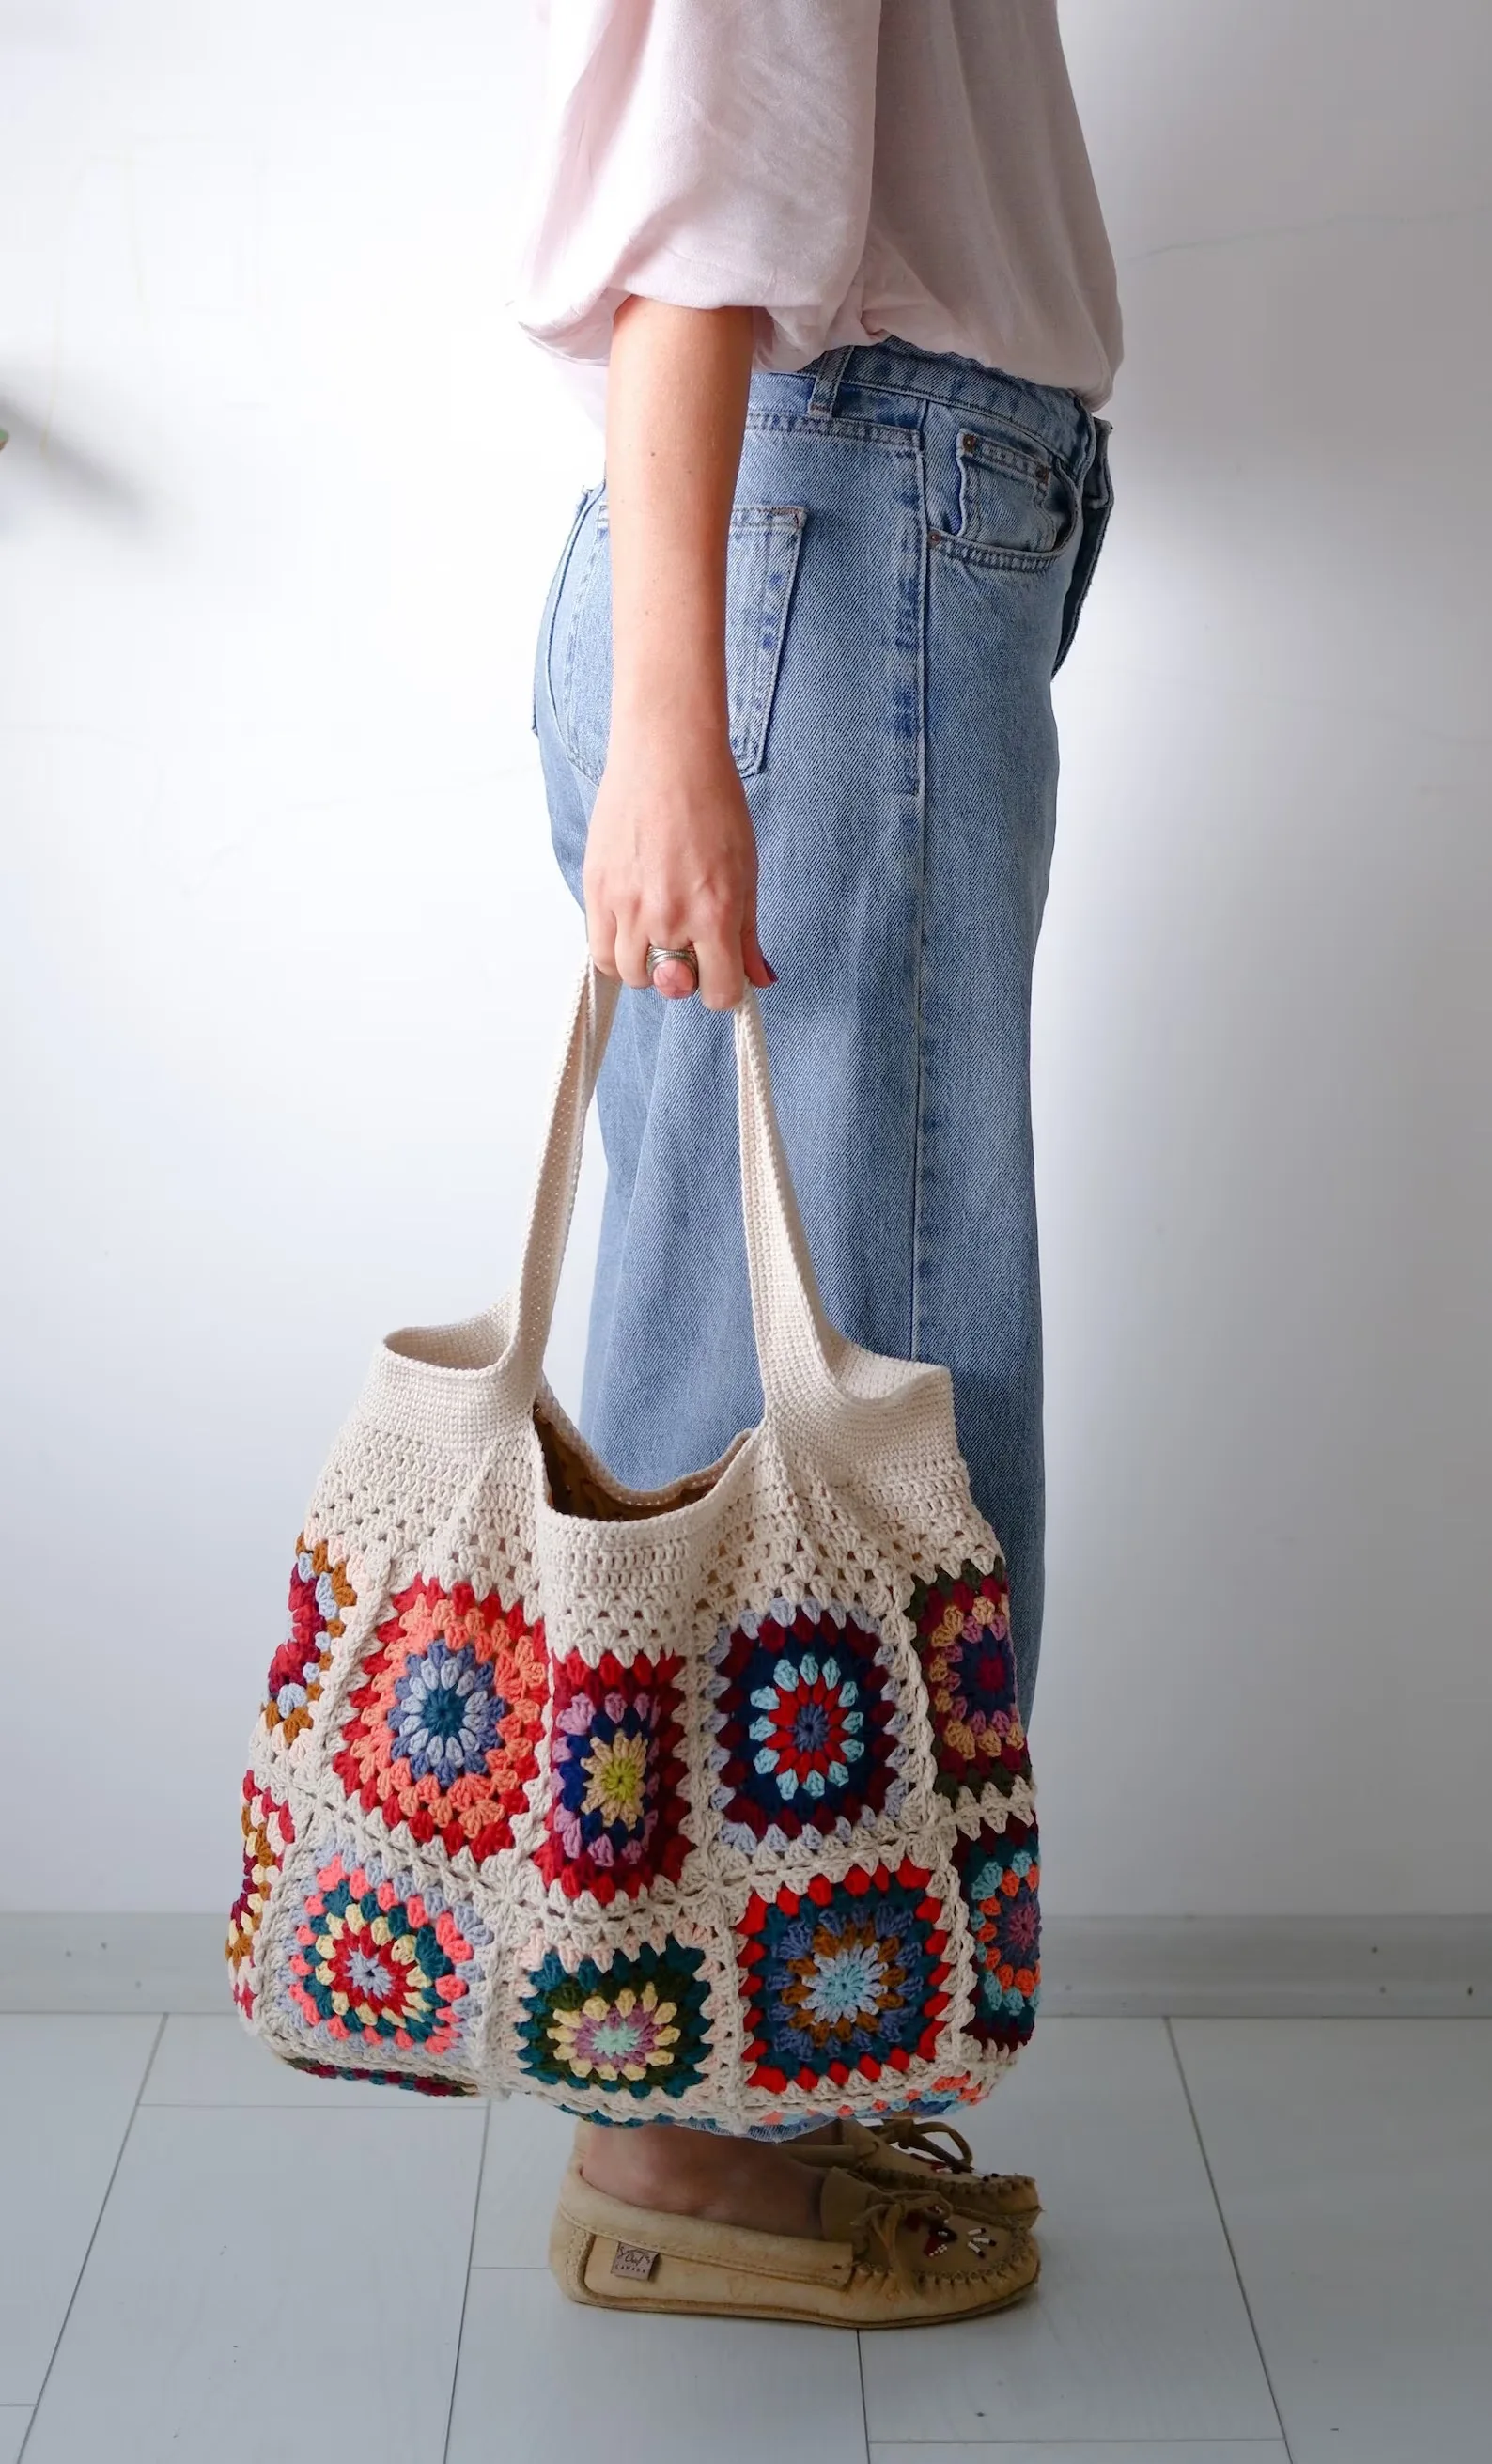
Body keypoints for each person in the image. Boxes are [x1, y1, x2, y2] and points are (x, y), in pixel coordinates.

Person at [517, 0, 1119, 2324]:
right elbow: (702, 210)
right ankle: (682, 2136)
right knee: (815, 1406)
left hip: (830, 542)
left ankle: (737, 2067)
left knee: (815, 1360)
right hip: (835, 543)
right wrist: (677, 722)